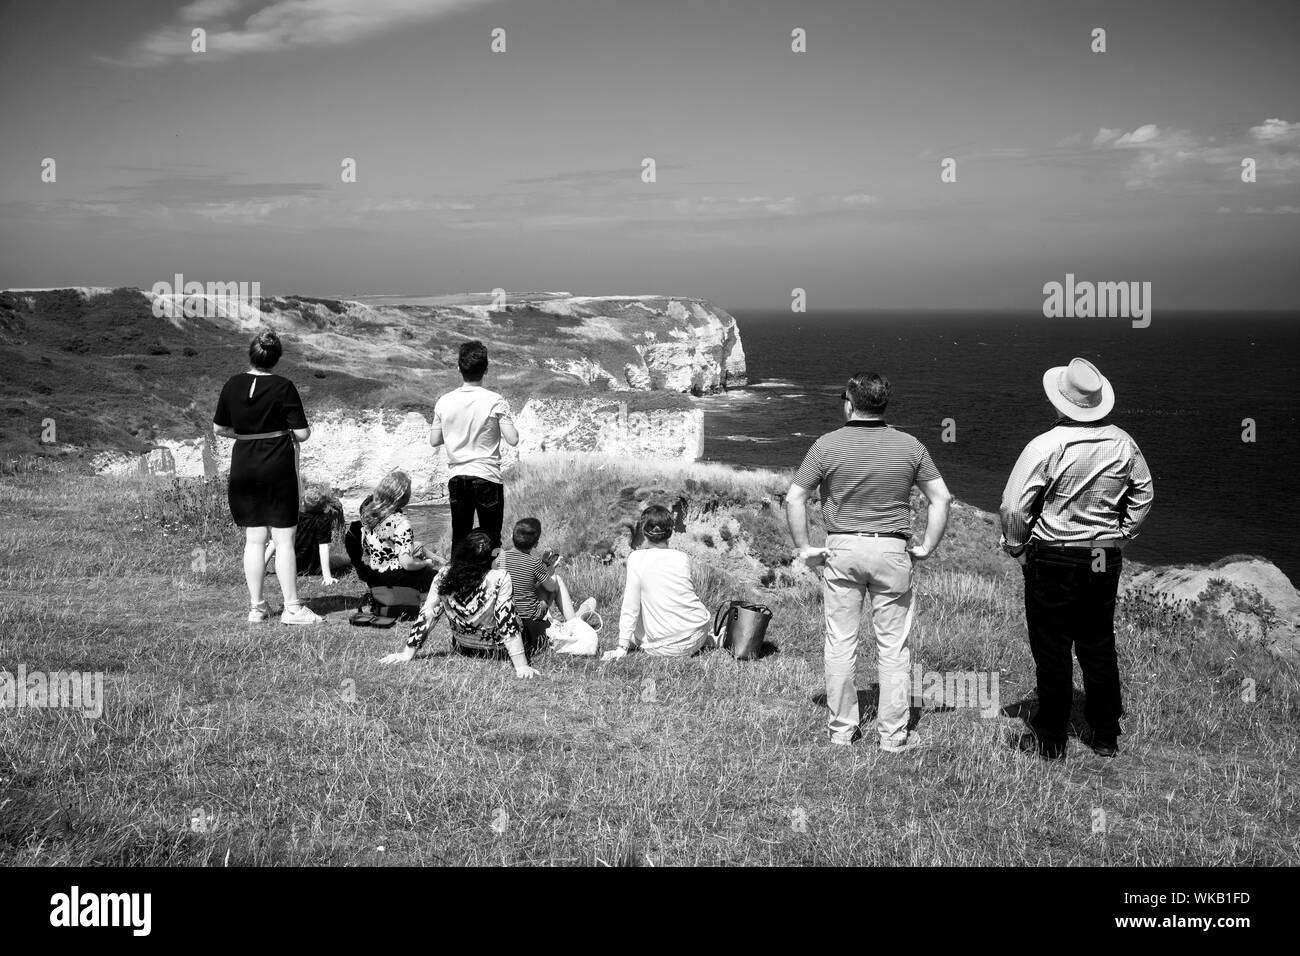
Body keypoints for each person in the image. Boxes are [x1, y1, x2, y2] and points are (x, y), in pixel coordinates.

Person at [785, 373, 952, 751]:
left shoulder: (826, 445)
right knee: (893, 647)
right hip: (891, 549)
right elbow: (941, 499)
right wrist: (926, 546)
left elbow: (795, 498)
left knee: (840, 641)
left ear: (849, 402)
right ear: (884, 403)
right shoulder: (911, 446)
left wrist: (804, 547)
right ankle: (893, 736)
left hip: (842, 548)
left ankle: (842, 730)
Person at [999, 357, 1154, 760]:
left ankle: (1051, 737)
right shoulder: (1124, 442)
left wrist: (1017, 547)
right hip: (1102, 554)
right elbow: (1144, 494)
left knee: (1052, 646)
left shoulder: (1045, 445)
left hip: (1054, 555)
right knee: (1098, 641)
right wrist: (1122, 535)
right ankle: (1105, 732)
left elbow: (1014, 507)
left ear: (1060, 403)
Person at [212, 330, 322, 625]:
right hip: (276, 466)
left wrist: (248, 435)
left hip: (244, 464)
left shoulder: (232, 384)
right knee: (284, 540)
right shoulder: (283, 386)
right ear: (276, 359)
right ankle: (292, 608)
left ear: (251, 353)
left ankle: (257, 607)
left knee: (254, 540)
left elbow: (219, 428)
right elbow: (302, 434)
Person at [379, 530, 540, 679]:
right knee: (534, 625)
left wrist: (408, 653)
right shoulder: (500, 577)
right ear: (490, 557)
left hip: (464, 647)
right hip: (498, 650)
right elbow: (506, 619)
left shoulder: (444, 575)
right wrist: (521, 665)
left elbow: (428, 613)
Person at [430, 340, 518, 552]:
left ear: (458, 368)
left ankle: (458, 581)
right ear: (486, 369)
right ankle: (492, 582)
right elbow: (513, 439)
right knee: (492, 537)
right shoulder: (496, 401)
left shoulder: (444, 401)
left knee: (460, 536)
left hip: (458, 476)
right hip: (487, 476)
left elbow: (434, 440)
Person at [602, 505, 713, 661]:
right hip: (698, 631)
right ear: (670, 533)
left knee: (639, 618)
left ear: (644, 532)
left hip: (665, 647)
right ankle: (712, 639)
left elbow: (630, 606)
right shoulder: (682, 557)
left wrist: (622, 647)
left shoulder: (636, 558)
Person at [501, 517, 597, 649]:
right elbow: (551, 586)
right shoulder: (534, 563)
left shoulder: (501, 559)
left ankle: (575, 620)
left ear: (512, 536)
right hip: (532, 616)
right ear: (536, 544)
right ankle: (574, 623)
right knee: (557, 580)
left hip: (509, 612)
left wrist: (544, 566)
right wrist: (550, 569)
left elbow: (522, 581)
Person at [344, 470, 439, 592]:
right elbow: (407, 564)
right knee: (439, 578)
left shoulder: (369, 518)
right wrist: (426, 563)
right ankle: (426, 607)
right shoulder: (401, 521)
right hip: (395, 578)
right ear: (403, 496)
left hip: (374, 577)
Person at [263, 483, 344, 585]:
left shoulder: (294, 517)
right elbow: (323, 547)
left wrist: (262, 567)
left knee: (278, 540)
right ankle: (351, 559)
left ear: (302, 503)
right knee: (342, 559)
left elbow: (275, 542)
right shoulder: (324, 520)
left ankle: (261, 567)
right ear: (325, 504)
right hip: (313, 567)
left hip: (287, 566)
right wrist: (327, 576)